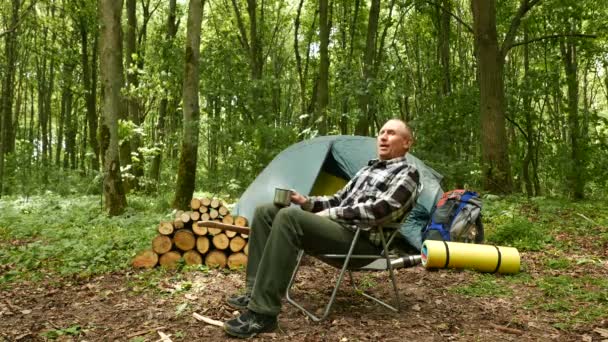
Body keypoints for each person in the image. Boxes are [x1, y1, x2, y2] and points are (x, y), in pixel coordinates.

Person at [223, 119, 420, 338]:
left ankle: (263, 314)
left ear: (407, 143)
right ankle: (254, 292)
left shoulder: (408, 173)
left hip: (360, 244)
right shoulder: (367, 169)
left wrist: (329, 214)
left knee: (289, 218)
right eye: (381, 132)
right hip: (337, 230)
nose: (383, 137)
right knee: (266, 211)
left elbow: (380, 210)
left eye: (391, 133)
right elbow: (337, 200)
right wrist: (306, 202)